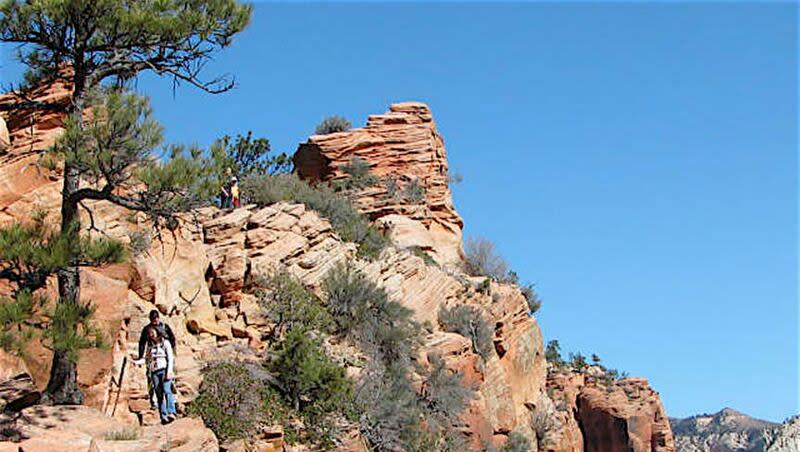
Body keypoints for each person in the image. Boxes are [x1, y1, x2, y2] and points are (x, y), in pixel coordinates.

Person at [136, 310, 176, 408]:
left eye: (156, 319)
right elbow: (142, 343)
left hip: (164, 354)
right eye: (153, 319)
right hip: (152, 355)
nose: (155, 321)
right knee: (152, 380)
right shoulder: (147, 329)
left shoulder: (164, 327)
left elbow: (172, 338)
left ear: (158, 317)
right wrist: (141, 356)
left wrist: (172, 351)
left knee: (168, 379)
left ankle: (171, 402)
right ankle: (153, 401)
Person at [142, 325, 177, 424]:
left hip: (164, 369)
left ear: (157, 331)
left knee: (167, 390)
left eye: (152, 332)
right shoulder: (150, 346)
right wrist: (136, 362)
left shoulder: (165, 343)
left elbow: (170, 358)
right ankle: (163, 416)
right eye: (149, 333)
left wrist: (169, 371)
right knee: (159, 394)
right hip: (154, 371)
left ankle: (171, 412)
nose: (151, 334)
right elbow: (147, 359)